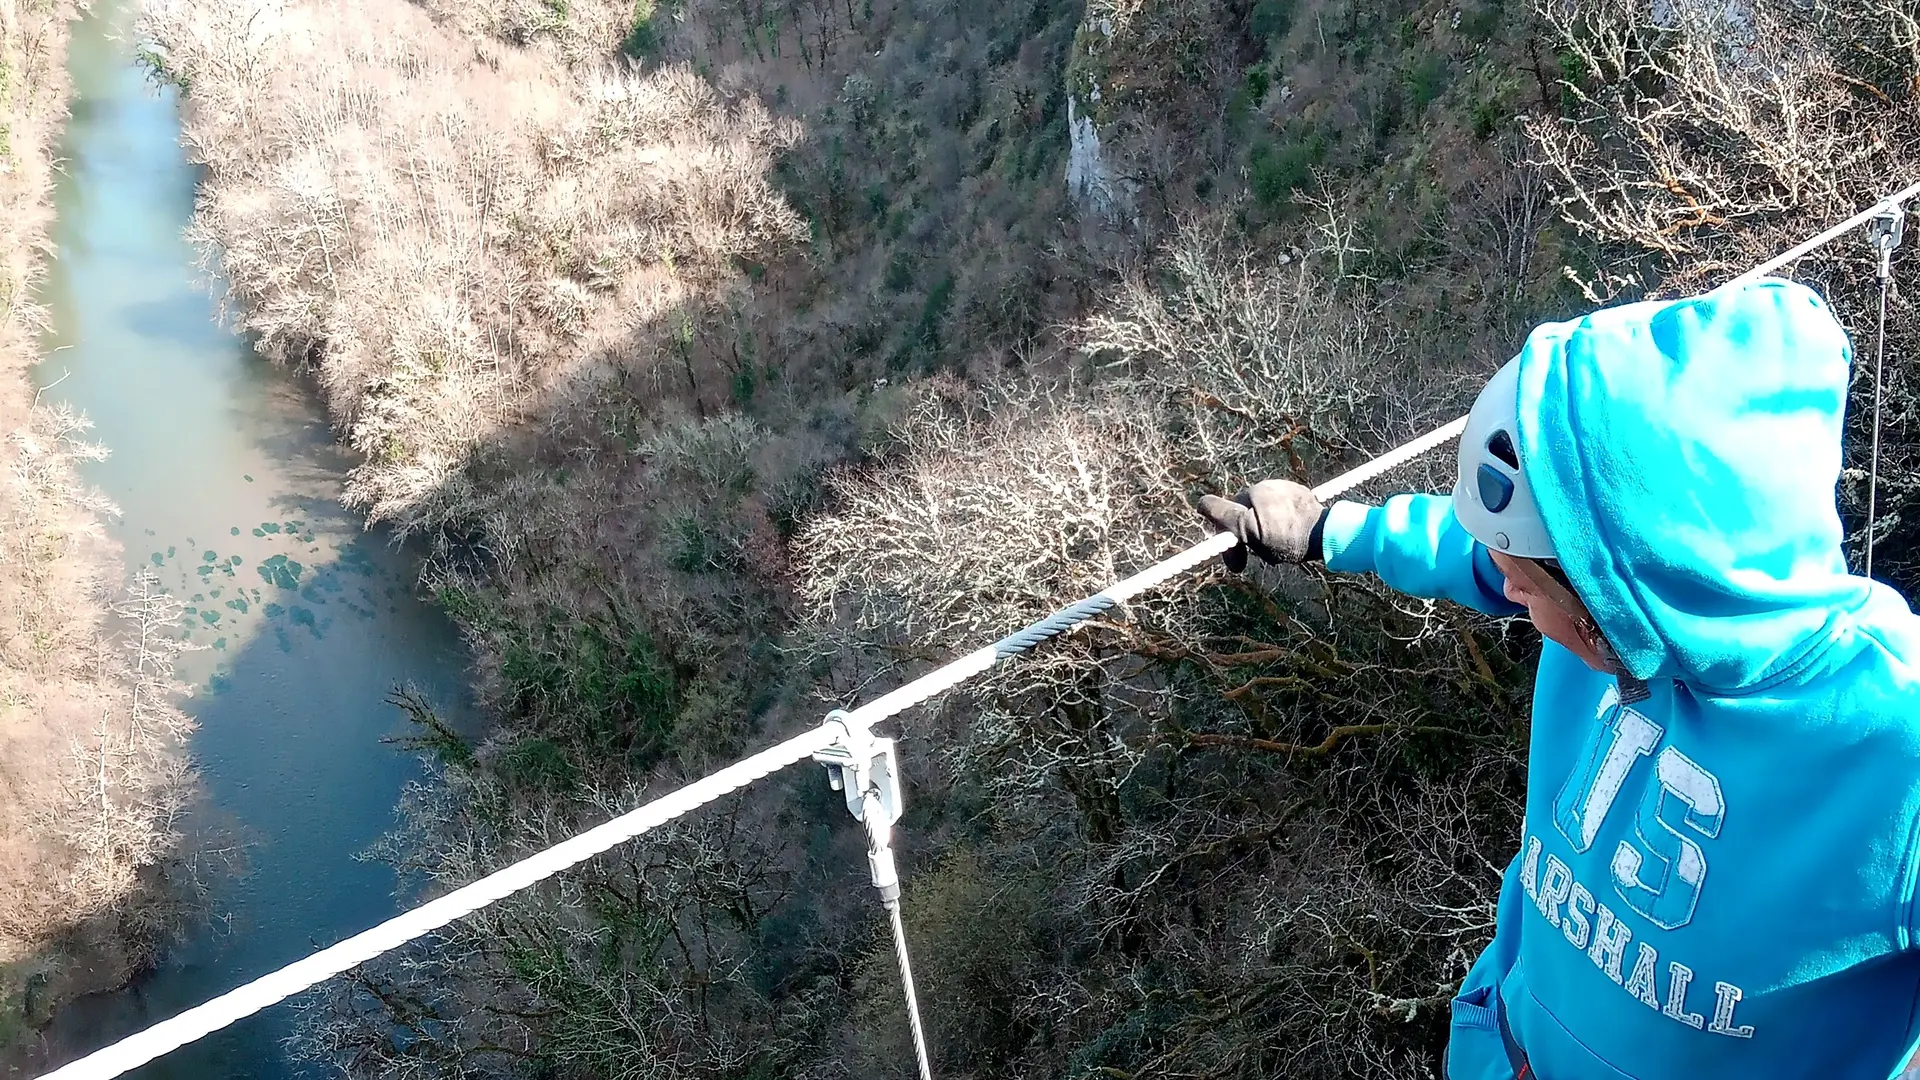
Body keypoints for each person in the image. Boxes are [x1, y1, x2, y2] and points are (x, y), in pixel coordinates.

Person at [1197, 277, 1920, 1079]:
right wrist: (1334, 530)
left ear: (1622, 594)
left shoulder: (1897, 751)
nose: (1504, 594)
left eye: (1527, 587)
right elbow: (1478, 554)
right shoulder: (1627, 603)